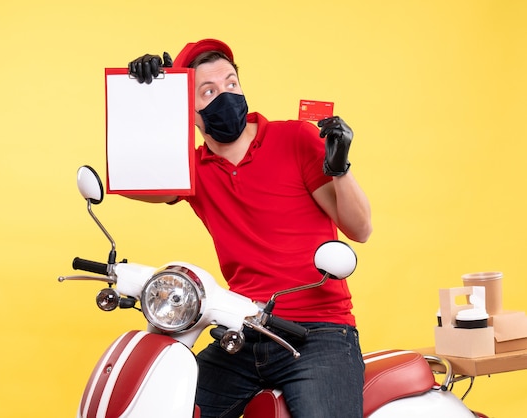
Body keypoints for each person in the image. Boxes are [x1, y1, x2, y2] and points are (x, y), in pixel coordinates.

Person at [126, 39, 372, 418]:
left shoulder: (295, 138)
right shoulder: (191, 168)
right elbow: (133, 181)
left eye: (231, 83)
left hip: (320, 332)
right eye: (208, 91)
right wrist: (151, 100)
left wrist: (340, 168)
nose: (225, 95)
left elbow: (360, 228)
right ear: (189, 111)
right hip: (241, 328)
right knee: (166, 405)